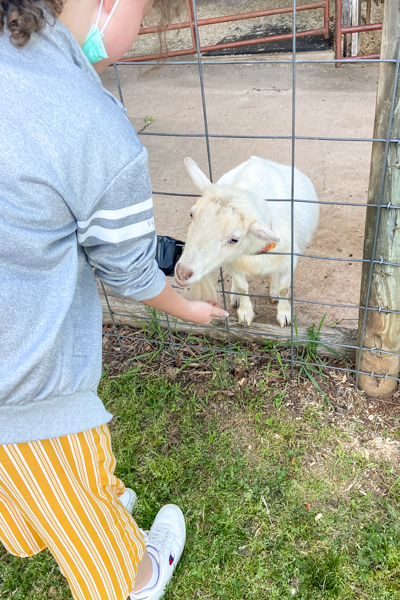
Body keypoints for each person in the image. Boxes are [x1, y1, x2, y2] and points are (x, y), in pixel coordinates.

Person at [0, 1, 229, 599]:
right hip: (23, 382)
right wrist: (191, 308)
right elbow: (126, 266)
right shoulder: (88, 122)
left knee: (20, 485)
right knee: (74, 494)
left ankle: (30, 521)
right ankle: (135, 576)